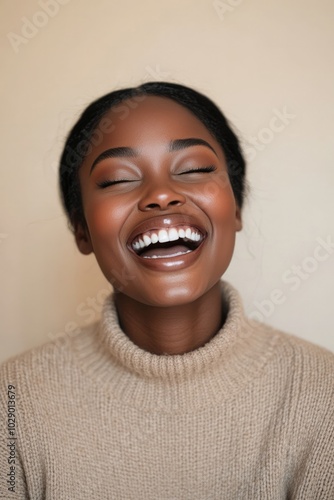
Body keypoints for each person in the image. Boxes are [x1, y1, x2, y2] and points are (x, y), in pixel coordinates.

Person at [0, 82, 333, 499]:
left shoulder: (324, 392)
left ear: (236, 208)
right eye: (117, 179)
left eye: (193, 169)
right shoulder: (11, 401)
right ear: (81, 229)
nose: (160, 195)